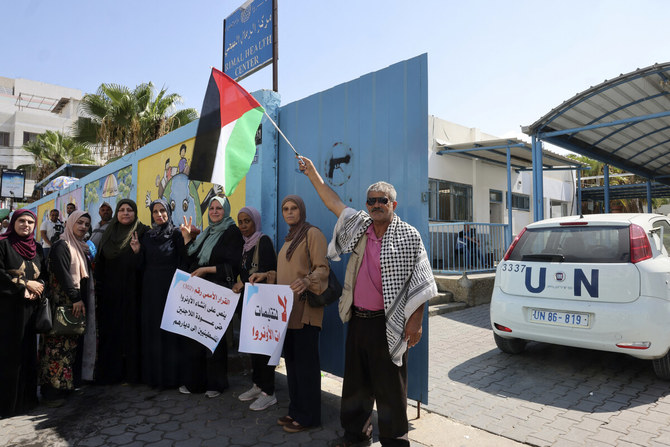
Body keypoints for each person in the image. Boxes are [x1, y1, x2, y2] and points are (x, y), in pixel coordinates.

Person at [298, 156, 437, 447]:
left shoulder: (408, 236)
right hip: (359, 320)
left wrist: (415, 322)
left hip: (391, 324)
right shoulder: (360, 227)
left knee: (390, 389)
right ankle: (355, 437)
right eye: (371, 200)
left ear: (393, 205)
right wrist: (312, 174)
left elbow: (422, 282)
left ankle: (395, 440)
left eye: (382, 200)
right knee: (356, 385)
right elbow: (332, 202)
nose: (375, 205)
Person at [253, 195, 328, 433]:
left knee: (306, 367)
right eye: (285, 209)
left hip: (305, 311)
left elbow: (323, 268)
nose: (289, 212)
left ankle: (309, 417)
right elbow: (284, 275)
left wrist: (308, 280)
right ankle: (296, 411)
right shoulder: (288, 240)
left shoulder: (312, 234)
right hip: (286, 313)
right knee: (293, 365)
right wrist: (266, 276)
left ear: (301, 210)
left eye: (294, 208)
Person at [178, 196, 243, 397]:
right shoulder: (207, 231)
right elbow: (193, 257)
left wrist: (206, 270)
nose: (214, 211)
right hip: (199, 291)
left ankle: (216, 384)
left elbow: (232, 265)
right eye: (212, 208)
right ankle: (196, 383)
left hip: (217, 291)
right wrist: (187, 237)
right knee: (195, 335)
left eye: (219, 208)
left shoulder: (232, 232)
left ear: (226, 210)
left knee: (214, 337)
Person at [39, 210, 92, 403]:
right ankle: (52, 392)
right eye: (79, 223)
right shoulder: (62, 245)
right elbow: (63, 275)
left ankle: (64, 387)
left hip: (71, 303)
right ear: (70, 223)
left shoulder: (79, 246)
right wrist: (75, 297)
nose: (83, 227)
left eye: (86, 224)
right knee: (56, 347)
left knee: (68, 346)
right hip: (63, 303)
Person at [94, 199, 148, 384]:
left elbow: (146, 266)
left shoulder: (142, 231)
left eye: (130, 210)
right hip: (110, 295)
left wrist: (137, 252)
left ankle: (132, 375)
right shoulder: (108, 233)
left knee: (132, 334)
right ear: (117, 213)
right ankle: (111, 374)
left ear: (135, 212)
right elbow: (100, 264)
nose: (126, 213)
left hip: (134, 294)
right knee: (111, 333)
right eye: (122, 210)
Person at [0, 209, 46, 418]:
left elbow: (43, 274)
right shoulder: (3, 244)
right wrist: (25, 285)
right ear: (13, 223)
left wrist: (39, 288)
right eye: (21, 221)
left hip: (31, 309)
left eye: (30, 222)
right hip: (8, 309)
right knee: (9, 355)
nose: (26, 225)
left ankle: (27, 400)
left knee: (28, 354)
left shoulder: (36, 247)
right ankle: (7, 405)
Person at [231, 206, 278, 411]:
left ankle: (269, 392)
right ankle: (258, 385)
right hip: (247, 304)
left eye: (247, 221)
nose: (243, 226)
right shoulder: (243, 246)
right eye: (240, 222)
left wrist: (244, 282)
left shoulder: (263, 241)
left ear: (255, 222)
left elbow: (270, 272)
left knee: (264, 348)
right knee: (253, 346)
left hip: (262, 305)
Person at [138, 199, 186, 388]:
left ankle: (172, 378)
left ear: (168, 212)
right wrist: (136, 252)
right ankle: (154, 378)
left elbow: (184, 261)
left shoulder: (176, 234)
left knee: (170, 331)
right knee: (153, 331)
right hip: (150, 290)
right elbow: (141, 265)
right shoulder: (147, 236)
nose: (159, 215)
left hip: (170, 289)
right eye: (155, 212)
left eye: (162, 211)